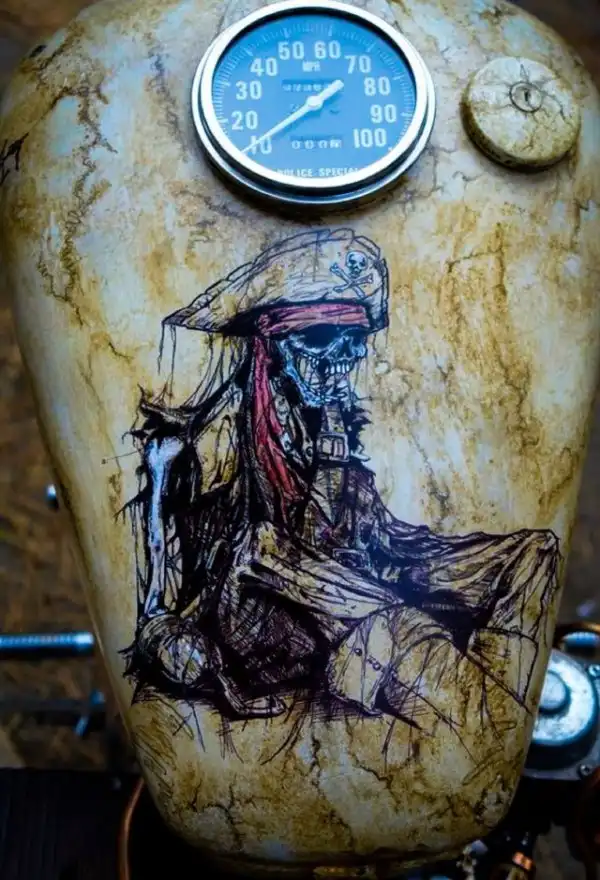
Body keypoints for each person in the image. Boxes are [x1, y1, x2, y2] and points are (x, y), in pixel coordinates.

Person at [122, 227, 560, 738]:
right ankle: (476, 713)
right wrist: (175, 644)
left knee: (534, 554)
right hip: (275, 619)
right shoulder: (208, 444)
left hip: (353, 582)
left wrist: (440, 564)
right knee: (284, 557)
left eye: (353, 340)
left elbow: (372, 536)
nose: (342, 358)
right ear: (270, 343)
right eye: (318, 338)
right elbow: (160, 608)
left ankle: (502, 718)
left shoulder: (326, 423)